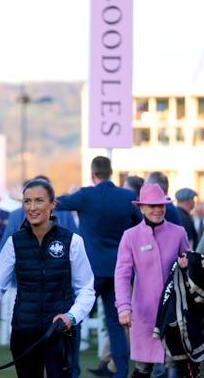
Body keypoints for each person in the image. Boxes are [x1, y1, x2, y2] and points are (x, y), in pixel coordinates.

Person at [0, 179, 95, 378]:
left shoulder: (73, 242)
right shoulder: (14, 243)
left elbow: (86, 289)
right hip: (24, 332)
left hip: (59, 332)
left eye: (39, 201)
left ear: (52, 205)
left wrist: (71, 317)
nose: (32, 207)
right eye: (27, 201)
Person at [55, 156, 143, 378]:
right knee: (115, 324)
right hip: (119, 270)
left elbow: (58, 202)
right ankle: (121, 372)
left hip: (90, 271)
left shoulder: (86, 195)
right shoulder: (128, 197)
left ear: (93, 174)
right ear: (111, 172)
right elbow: (138, 226)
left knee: (78, 319)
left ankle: (73, 371)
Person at [115, 183, 190, 378]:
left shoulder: (178, 232)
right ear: (141, 208)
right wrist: (124, 306)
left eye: (161, 205)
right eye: (152, 206)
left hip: (174, 313)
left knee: (174, 365)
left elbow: (191, 267)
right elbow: (122, 274)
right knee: (143, 368)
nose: (157, 210)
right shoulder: (130, 237)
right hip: (144, 313)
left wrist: (187, 265)